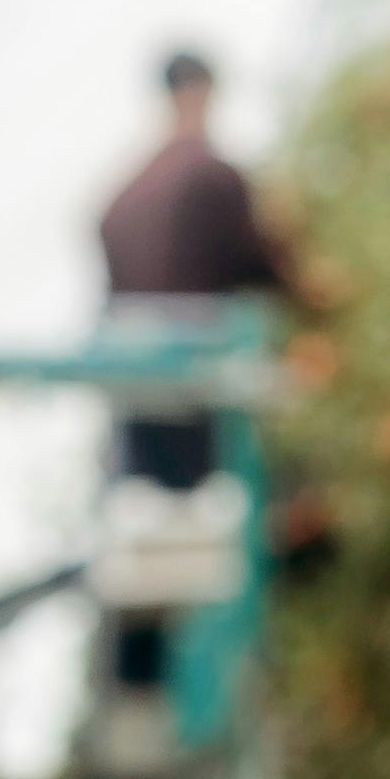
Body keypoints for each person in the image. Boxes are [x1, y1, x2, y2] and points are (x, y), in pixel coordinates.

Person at [95, 50, 292, 489]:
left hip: (139, 394)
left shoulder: (121, 198)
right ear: (201, 93)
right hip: (200, 387)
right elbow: (266, 266)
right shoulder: (212, 176)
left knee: (155, 503)